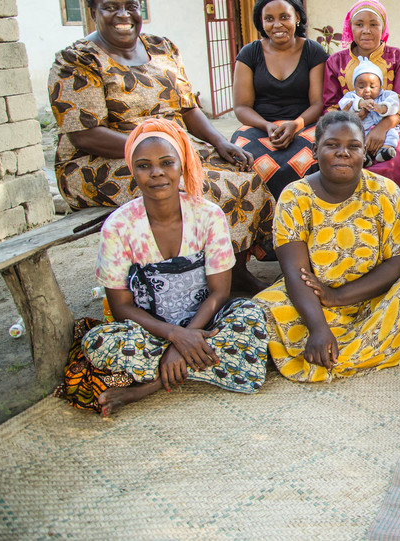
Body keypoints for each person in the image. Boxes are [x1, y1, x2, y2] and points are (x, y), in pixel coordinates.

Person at [48, 0, 274, 292]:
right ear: (93, 12)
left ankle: (234, 267)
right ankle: (192, 279)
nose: (123, 15)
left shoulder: (161, 47)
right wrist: (160, 151)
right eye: (111, 7)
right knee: (202, 187)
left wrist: (220, 142)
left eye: (131, 6)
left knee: (246, 172)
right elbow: (84, 134)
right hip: (101, 163)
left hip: (173, 151)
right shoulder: (77, 60)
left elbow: (188, 107)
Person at [54, 118, 268, 416]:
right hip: (151, 330)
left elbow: (220, 293)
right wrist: (174, 336)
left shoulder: (209, 216)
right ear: (132, 169)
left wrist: (184, 341)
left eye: (167, 162)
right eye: (144, 165)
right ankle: (201, 365)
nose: (156, 173)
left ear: (182, 165)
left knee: (252, 314)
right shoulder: (118, 226)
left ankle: (147, 387)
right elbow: (121, 308)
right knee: (98, 343)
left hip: (204, 324)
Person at [253, 110, 400, 383]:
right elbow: (294, 271)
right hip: (314, 301)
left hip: (376, 298)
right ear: (315, 150)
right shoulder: (295, 196)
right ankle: (354, 348)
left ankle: (328, 357)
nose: (343, 153)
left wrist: (337, 296)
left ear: (365, 152)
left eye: (353, 146)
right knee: (262, 307)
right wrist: (318, 327)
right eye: (332, 145)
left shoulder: (385, 191)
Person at [229, 0, 328, 200]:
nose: (277, 25)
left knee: (311, 158)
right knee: (245, 158)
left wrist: (295, 125)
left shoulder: (313, 51)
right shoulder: (249, 53)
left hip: (304, 125)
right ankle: (261, 222)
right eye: (269, 19)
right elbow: (241, 106)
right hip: (258, 126)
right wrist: (267, 126)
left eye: (284, 17)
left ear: (297, 17)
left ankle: (304, 217)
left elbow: (317, 103)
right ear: (261, 22)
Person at [323, 0, 400, 212]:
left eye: (373, 24)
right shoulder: (336, 62)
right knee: (340, 165)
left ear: (383, 27)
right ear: (350, 27)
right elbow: (329, 106)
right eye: (359, 24)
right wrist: (352, 122)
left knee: (390, 166)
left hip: (393, 127)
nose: (366, 30)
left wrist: (382, 128)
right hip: (345, 129)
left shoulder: (399, 58)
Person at [337, 58, 400, 166]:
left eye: (372, 86)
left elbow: (394, 105)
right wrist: (360, 103)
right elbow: (343, 103)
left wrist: (382, 108)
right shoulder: (352, 96)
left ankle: (386, 149)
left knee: (392, 134)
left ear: (380, 86)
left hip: (383, 130)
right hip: (361, 129)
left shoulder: (386, 95)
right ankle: (363, 156)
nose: (367, 90)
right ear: (355, 87)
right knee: (354, 138)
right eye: (361, 86)